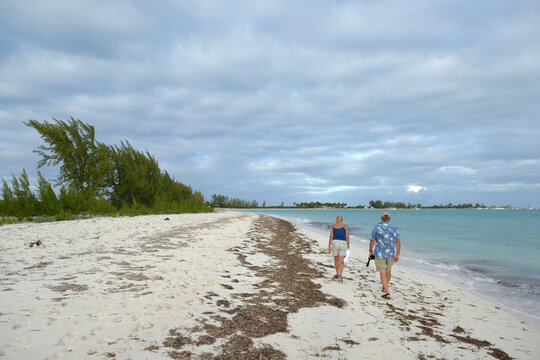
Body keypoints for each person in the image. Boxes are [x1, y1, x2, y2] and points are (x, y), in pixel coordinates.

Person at [369, 212, 401, 299]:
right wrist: (398, 254)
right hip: (391, 253)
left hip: (379, 253)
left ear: (382, 218)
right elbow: (397, 242)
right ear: (389, 219)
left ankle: (387, 292)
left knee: (382, 271)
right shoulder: (394, 228)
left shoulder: (377, 227)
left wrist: (370, 251)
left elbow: (372, 240)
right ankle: (385, 287)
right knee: (388, 270)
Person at [328, 215, 349, 282]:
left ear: (336, 220)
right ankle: (340, 276)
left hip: (335, 243)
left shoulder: (333, 227)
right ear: (342, 220)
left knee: (336, 260)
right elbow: (347, 237)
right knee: (341, 261)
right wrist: (348, 246)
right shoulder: (345, 227)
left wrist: (329, 246)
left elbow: (331, 236)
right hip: (343, 243)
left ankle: (337, 274)